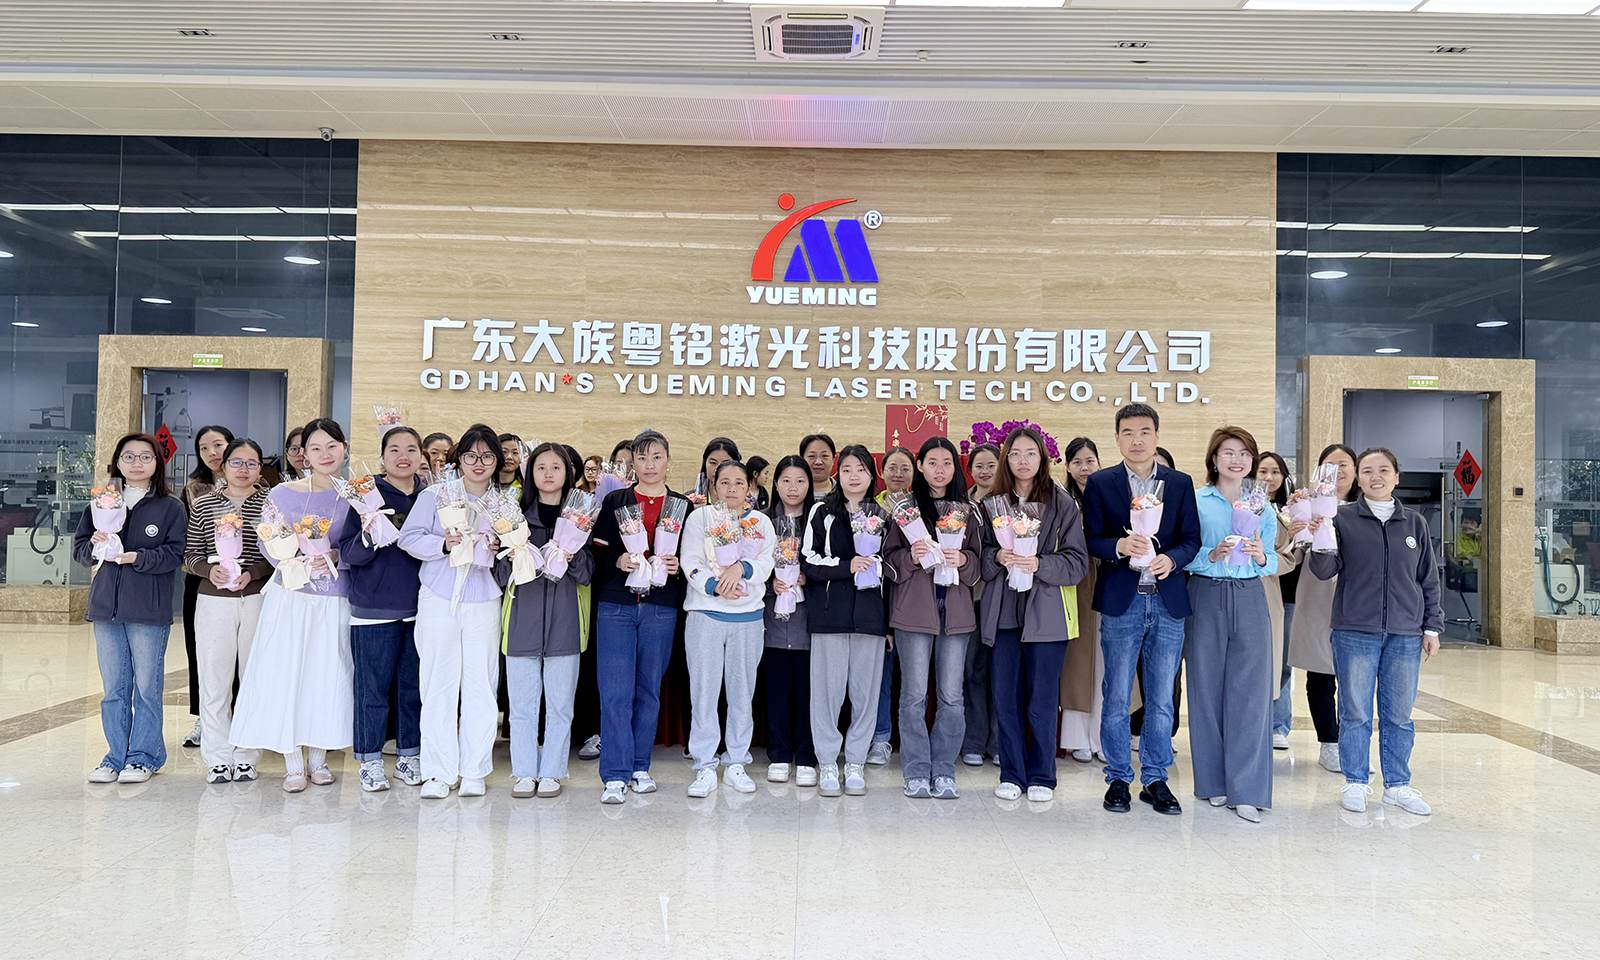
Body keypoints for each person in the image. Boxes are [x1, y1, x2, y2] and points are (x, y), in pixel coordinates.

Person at [1081, 403, 1201, 816]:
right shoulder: (1101, 483)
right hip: (1122, 600)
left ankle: (1155, 778)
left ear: (1156, 436)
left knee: (1162, 695)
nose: (1137, 440)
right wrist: (1117, 545)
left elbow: (1191, 539)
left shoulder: (1179, 483)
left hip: (1167, 600)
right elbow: (1091, 538)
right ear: (1117, 438)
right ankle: (1117, 776)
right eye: (1128, 432)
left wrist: (1173, 559)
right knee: (1116, 693)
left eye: (1145, 432)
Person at [1311, 447, 1442, 817]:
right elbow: (1324, 570)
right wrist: (1320, 535)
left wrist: (1432, 626)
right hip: (1354, 630)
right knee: (1355, 711)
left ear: (1396, 477)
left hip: (1405, 632)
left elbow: (1428, 578)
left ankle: (1398, 785)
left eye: (1384, 470)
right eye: (1367, 470)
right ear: (1358, 478)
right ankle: (1355, 781)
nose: (1376, 477)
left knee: (1399, 714)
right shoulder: (1341, 518)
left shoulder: (1415, 523)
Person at [230, 419, 355, 792]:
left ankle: (318, 759)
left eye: (332, 446)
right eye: (315, 448)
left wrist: (335, 556)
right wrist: (292, 558)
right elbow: (269, 541)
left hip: (335, 597)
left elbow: (361, 544)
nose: (325, 454)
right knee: (287, 676)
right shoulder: (282, 494)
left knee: (326, 675)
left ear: (344, 448)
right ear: (304, 455)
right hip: (292, 597)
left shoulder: (355, 495)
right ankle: (293, 763)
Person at [978, 427, 1089, 802]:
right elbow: (980, 557)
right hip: (1003, 613)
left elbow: (1077, 563)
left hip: (1047, 614)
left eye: (1030, 453)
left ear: (1042, 458)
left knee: (1041, 700)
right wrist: (997, 556)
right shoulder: (992, 504)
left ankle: (1042, 774)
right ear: (1005, 460)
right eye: (1015, 454)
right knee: (1005, 697)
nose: (1022, 461)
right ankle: (1012, 773)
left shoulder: (1062, 504)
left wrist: (1039, 563)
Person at [398, 423, 506, 798]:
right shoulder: (436, 495)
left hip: (483, 598)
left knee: (481, 683)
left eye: (487, 456)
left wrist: (502, 545)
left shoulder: (503, 504)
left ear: (497, 462)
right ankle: (438, 772)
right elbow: (409, 538)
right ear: (459, 459)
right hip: (439, 596)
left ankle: (474, 769)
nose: (479, 463)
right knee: (437, 683)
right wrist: (443, 545)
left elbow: (516, 550)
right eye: (471, 455)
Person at [74, 433, 186, 784]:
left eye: (145, 456)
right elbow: (80, 550)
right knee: (114, 689)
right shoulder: (102, 502)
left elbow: (174, 555)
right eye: (129, 456)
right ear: (118, 462)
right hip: (106, 607)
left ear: (157, 463)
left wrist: (138, 557)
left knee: (147, 688)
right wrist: (95, 546)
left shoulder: (170, 507)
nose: (137, 463)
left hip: (147, 610)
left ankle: (144, 756)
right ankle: (115, 756)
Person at [1184, 426, 1279, 823]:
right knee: (1205, 690)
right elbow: (1183, 552)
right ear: (1214, 458)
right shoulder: (1196, 501)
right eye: (1228, 452)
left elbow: (1273, 558)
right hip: (1204, 594)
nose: (1236, 459)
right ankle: (1212, 782)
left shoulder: (1263, 506)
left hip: (1249, 596)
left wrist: (1260, 556)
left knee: (1251, 694)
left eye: (1243, 453)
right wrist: (1211, 554)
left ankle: (1248, 790)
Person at [590, 428, 689, 804]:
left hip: (660, 607)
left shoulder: (681, 506)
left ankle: (638, 765)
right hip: (616, 605)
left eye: (656, 457)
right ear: (632, 462)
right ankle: (614, 773)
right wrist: (617, 560)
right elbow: (595, 552)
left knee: (649, 690)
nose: (649, 465)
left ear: (668, 461)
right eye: (642, 457)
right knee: (615, 691)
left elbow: (696, 558)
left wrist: (678, 567)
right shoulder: (616, 500)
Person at [884, 437, 982, 799]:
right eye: (932, 463)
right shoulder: (904, 510)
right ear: (920, 467)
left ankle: (943, 770)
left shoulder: (969, 511)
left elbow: (980, 565)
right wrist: (910, 557)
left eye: (947, 463)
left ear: (956, 468)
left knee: (951, 696)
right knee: (913, 696)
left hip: (955, 614)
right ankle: (915, 770)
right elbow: (887, 562)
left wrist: (964, 561)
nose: (940, 470)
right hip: (914, 613)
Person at [500, 442, 593, 798]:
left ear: (568, 473)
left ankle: (553, 770)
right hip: (521, 621)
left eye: (556, 467)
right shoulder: (514, 517)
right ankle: (524, 771)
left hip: (565, 622)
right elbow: (499, 575)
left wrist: (570, 554)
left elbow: (588, 574)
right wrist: (512, 555)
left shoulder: (580, 519)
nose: (549, 474)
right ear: (530, 473)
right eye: (541, 467)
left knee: (560, 705)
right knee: (522, 706)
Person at [681, 460, 777, 797]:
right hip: (705, 615)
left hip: (747, 617)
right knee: (704, 692)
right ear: (714, 486)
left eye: (739, 482)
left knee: (741, 693)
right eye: (725, 482)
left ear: (749, 487)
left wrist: (741, 569)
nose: (732, 489)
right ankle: (704, 764)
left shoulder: (761, 522)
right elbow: (690, 560)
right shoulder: (700, 518)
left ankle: (736, 760)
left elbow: (767, 562)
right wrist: (714, 586)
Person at [339, 426, 425, 793]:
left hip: (421, 608)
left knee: (412, 688)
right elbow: (348, 554)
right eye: (395, 449)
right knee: (371, 689)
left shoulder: (431, 496)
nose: (403, 456)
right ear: (382, 456)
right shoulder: (364, 494)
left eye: (411, 449)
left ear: (421, 455)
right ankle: (370, 759)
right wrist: (368, 533)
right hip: (373, 609)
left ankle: (409, 756)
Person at [802, 443, 889, 797]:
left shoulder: (884, 513)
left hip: (871, 617)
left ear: (872, 474)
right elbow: (808, 560)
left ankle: (855, 761)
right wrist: (846, 566)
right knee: (827, 694)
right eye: (848, 469)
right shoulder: (822, 510)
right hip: (830, 616)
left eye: (861, 470)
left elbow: (895, 565)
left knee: (865, 695)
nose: (854, 477)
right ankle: (827, 761)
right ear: (838, 474)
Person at [183, 438, 271, 783]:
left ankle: (247, 754)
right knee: (214, 678)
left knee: (253, 679)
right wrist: (209, 571)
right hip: (214, 600)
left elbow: (280, 552)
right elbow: (190, 554)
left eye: (252, 463)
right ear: (224, 466)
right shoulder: (205, 503)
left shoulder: (271, 503)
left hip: (258, 598)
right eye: (237, 462)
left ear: (260, 468)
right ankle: (217, 756)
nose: (244, 469)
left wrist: (255, 572)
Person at [1289, 442, 1359, 774]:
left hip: (1358, 596)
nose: (1338, 471)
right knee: (1321, 672)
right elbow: (1293, 555)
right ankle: (1329, 743)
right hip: (1318, 594)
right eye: (1329, 465)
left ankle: (1353, 743)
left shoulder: (1365, 508)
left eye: (1344, 464)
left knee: (1356, 677)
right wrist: (1297, 528)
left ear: (1355, 471)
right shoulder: (1309, 505)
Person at [574, 440, 640, 763]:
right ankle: (596, 732)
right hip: (601, 590)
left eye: (631, 464)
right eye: (620, 464)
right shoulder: (601, 498)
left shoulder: (640, 499)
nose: (626, 470)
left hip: (634, 595)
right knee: (600, 670)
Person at [1059, 436, 1121, 764]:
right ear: (1068, 467)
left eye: (1090, 461)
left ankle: (1103, 736)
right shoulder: (1063, 501)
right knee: (1077, 662)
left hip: (1109, 582)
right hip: (1076, 587)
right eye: (1077, 462)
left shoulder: (1113, 496)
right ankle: (1077, 738)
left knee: (1108, 661)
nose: (1084, 468)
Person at [761, 455, 818, 786]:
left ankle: (808, 754)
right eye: (786, 480)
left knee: (809, 692)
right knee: (777, 690)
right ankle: (779, 753)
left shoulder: (820, 520)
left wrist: (807, 577)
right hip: (773, 620)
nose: (793, 488)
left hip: (810, 623)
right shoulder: (763, 522)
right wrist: (771, 581)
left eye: (800, 481)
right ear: (776, 484)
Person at [179, 424, 235, 750]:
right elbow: (185, 542)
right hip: (201, 580)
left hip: (245, 581)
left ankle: (238, 716)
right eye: (204, 448)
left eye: (218, 445)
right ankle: (204, 717)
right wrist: (204, 568)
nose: (212, 453)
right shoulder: (193, 490)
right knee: (200, 650)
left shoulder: (257, 483)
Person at [867, 444, 918, 766]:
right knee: (882, 679)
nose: (898, 474)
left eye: (905, 468)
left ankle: (913, 742)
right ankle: (881, 738)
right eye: (892, 468)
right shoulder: (871, 510)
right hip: (880, 604)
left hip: (915, 606)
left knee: (915, 683)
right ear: (881, 472)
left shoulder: (921, 508)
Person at [1256, 451, 1304, 750]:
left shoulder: (1295, 509)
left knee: (1283, 662)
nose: (1269, 477)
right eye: (1263, 471)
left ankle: (1278, 724)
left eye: (1275, 472)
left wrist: (1298, 533)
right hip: (1256, 590)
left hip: (1287, 593)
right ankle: (1256, 721)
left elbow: (1300, 553)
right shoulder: (1247, 506)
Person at [959, 441, 1003, 768]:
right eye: (979, 466)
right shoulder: (961, 504)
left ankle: (1000, 742)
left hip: (1002, 599)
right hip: (969, 599)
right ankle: (973, 739)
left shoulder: (1010, 503)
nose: (985, 471)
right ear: (970, 470)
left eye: (991, 465)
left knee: (1002, 672)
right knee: (972, 670)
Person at [690, 436, 740, 506]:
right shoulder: (689, 501)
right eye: (713, 463)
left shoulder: (747, 501)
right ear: (705, 464)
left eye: (725, 463)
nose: (717, 469)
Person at [800, 433, 837, 498]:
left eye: (824, 456)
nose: (818, 462)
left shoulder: (845, 493)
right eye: (812, 456)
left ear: (833, 460)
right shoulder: (789, 493)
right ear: (802, 460)